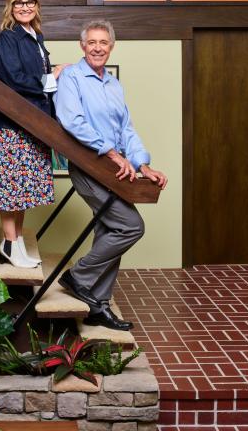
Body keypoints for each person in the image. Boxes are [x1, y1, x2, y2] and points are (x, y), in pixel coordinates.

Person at [54, 19, 168, 331]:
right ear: (82, 46)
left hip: (114, 168)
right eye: (92, 42)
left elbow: (126, 130)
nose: (97, 48)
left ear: (111, 46)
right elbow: (72, 121)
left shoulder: (114, 85)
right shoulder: (72, 78)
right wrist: (111, 152)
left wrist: (143, 163)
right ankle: (78, 276)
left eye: (103, 43)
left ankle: (97, 305)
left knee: (110, 232)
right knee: (130, 226)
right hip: (90, 165)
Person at [0, 0, 62, 268]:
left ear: (37, 5)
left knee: (23, 189)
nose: (25, 7)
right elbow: (13, 79)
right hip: (14, 123)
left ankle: (16, 243)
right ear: (11, 6)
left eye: (30, 2)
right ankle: (9, 243)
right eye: (19, 3)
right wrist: (51, 77)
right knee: (11, 188)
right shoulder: (8, 38)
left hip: (34, 122)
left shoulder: (36, 35)